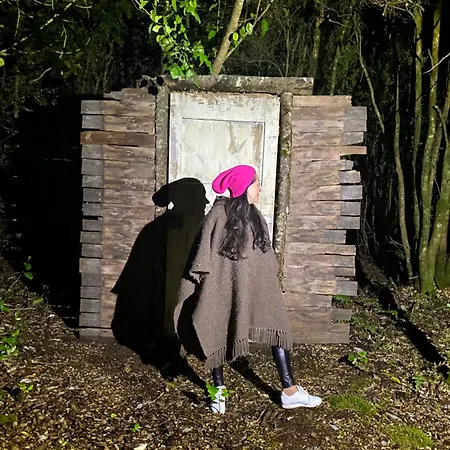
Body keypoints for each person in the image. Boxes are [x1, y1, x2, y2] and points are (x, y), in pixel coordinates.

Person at [174, 165, 322, 414]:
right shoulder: (217, 216)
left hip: (255, 290)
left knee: (277, 323)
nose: (260, 188)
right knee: (217, 327)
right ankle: (218, 392)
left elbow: (262, 258)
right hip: (221, 289)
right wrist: (206, 285)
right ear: (243, 188)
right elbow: (202, 257)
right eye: (256, 183)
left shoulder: (255, 216)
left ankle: (289, 391)